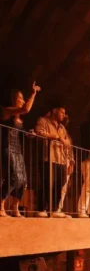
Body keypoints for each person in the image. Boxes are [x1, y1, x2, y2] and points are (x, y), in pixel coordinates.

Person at [0, 83, 41, 217]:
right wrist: (33, 94)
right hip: (7, 147)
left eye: (24, 98)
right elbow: (26, 109)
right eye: (20, 98)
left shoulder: (19, 120)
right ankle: (1, 205)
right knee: (14, 176)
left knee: (23, 179)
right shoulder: (6, 111)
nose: (23, 101)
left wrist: (30, 133)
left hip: (17, 149)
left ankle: (15, 207)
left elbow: (22, 132)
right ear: (13, 99)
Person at [35, 101, 72, 218]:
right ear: (54, 110)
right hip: (48, 157)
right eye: (62, 112)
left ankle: (54, 209)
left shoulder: (62, 127)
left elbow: (67, 142)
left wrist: (66, 144)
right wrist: (57, 137)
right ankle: (41, 208)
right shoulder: (43, 121)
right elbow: (39, 132)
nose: (64, 115)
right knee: (46, 183)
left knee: (59, 184)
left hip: (60, 159)